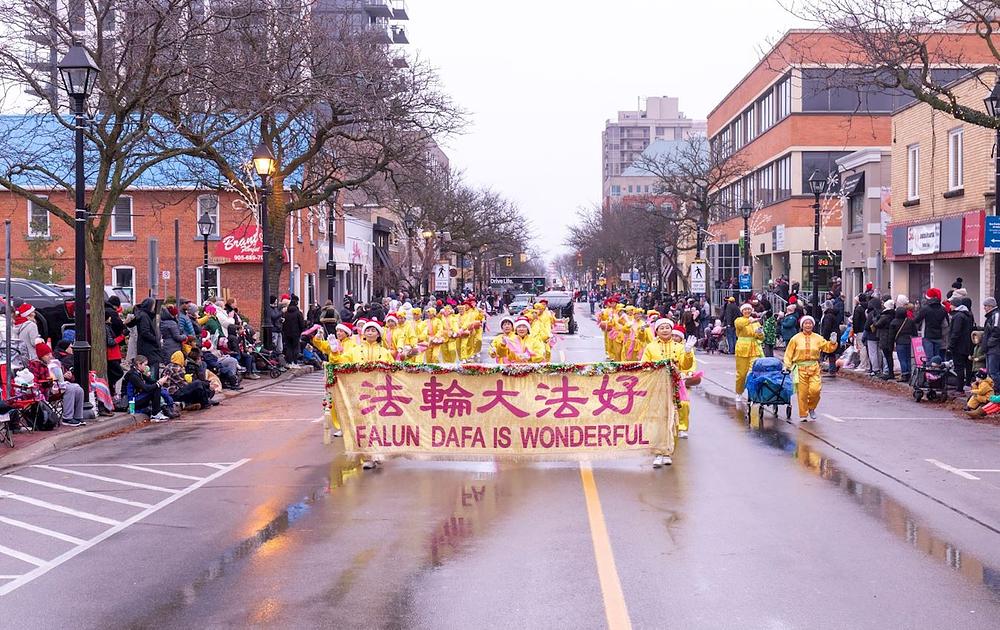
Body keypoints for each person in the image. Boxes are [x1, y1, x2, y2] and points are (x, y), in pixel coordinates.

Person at [641, 321, 696, 459]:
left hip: (675, 385)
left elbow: (685, 364)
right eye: (661, 328)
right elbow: (644, 365)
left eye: (667, 328)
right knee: (659, 417)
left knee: (674, 418)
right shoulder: (651, 347)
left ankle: (669, 452)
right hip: (657, 385)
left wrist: (688, 352)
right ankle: (658, 452)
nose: (665, 330)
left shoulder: (679, 347)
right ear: (657, 331)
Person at [782, 315, 839, 421]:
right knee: (802, 393)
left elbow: (827, 348)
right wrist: (787, 366)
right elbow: (789, 354)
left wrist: (833, 343)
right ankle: (803, 414)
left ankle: (811, 407)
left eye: (810, 323)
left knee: (815, 390)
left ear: (813, 325)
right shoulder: (795, 339)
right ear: (802, 325)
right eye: (806, 323)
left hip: (814, 368)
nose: (808, 325)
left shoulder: (817, 338)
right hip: (800, 369)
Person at [33, 342, 87, 427]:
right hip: (46, 390)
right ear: (41, 356)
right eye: (47, 354)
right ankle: (67, 418)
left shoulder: (54, 363)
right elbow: (35, 382)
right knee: (70, 389)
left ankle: (78, 417)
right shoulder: (36, 365)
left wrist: (67, 375)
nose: (50, 356)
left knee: (78, 389)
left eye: (50, 353)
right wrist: (51, 382)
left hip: (57, 385)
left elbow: (63, 377)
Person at [123, 355, 175, 421]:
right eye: (145, 365)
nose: (146, 367)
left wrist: (161, 380)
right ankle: (155, 413)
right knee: (156, 387)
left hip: (136, 398)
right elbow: (146, 388)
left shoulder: (138, 372)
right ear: (139, 364)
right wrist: (158, 383)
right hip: (131, 401)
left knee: (157, 387)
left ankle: (157, 411)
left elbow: (151, 381)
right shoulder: (132, 375)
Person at [734, 303, 764, 400]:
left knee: (754, 372)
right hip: (742, 349)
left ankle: (753, 393)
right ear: (742, 311)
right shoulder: (739, 320)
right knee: (741, 374)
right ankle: (739, 392)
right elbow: (740, 325)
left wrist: (760, 333)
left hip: (754, 349)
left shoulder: (756, 322)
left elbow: (762, 337)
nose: (747, 311)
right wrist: (749, 321)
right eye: (745, 310)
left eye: (749, 309)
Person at [912, 288, 948, 362]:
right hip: (938, 336)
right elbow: (946, 323)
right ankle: (936, 372)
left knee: (929, 357)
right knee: (937, 358)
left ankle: (930, 373)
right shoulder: (943, 309)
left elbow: (916, 320)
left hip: (928, 336)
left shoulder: (926, 309)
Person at [949, 295, 974, 389]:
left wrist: (951, 345)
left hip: (959, 346)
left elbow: (956, 332)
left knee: (959, 367)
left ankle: (959, 388)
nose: (950, 306)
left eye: (951, 304)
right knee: (968, 366)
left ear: (955, 305)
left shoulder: (958, 316)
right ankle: (967, 385)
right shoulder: (968, 314)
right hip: (967, 345)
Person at [892, 299, 916, 382]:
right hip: (909, 341)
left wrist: (891, 343)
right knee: (908, 358)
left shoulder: (894, 322)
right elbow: (914, 332)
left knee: (902, 359)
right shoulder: (910, 321)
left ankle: (904, 374)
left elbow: (892, 334)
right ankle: (909, 374)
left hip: (900, 342)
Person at [874, 299, 897, 380]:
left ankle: (889, 373)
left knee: (887, 356)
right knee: (889, 356)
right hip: (890, 337)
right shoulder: (893, 315)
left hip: (884, 337)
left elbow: (877, 324)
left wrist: (875, 319)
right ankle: (890, 372)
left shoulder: (884, 316)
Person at [281, 296, 306, 366]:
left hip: (287, 333)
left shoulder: (286, 313)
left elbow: (284, 323)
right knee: (295, 347)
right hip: (295, 333)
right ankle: (295, 362)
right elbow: (302, 324)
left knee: (289, 347)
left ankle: (289, 362)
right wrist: (301, 331)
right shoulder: (298, 313)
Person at [984, 298, 1000, 394]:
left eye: (986, 306)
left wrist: (988, 343)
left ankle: (997, 391)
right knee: (990, 371)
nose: (984, 308)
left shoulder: (996, 315)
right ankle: (993, 391)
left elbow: (996, 331)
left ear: (991, 306)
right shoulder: (991, 316)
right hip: (991, 348)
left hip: (994, 348)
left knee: (993, 371)